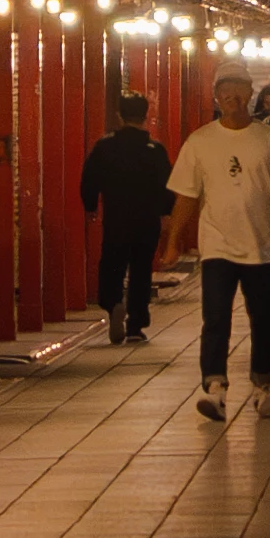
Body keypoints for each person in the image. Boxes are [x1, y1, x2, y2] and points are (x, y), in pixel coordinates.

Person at [163, 68, 270, 421]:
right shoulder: (199, 141)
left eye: (238, 91)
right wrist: (172, 243)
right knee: (215, 319)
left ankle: (263, 385)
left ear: (250, 94)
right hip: (216, 245)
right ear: (216, 98)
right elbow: (186, 197)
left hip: (262, 245)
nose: (232, 98)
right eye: (224, 93)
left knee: (264, 318)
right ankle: (215, 388)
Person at [77, 91, 174, 347]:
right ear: (145, 115)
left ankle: (113, 304)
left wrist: (91, 205)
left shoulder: (105, 146)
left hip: (117, 216)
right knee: (141, 269)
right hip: (147, 218)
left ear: (119, 115)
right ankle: (135, 324)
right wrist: (166, 212)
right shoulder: (154, 149)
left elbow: (89, 177)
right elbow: (168, 184)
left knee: (112, 263)